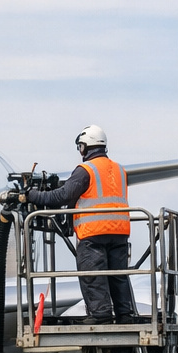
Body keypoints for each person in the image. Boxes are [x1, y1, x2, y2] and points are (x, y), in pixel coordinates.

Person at [23, 125, 137, 324]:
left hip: (93, 233)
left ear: (85, 147)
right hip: (119, 231)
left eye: (80, 147)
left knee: (93, 275)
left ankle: (100, 316)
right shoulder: (119, 169)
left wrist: (32, 195)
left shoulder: (86, 170)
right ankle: (125, 315)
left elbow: (62, 195)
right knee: (118, 276)